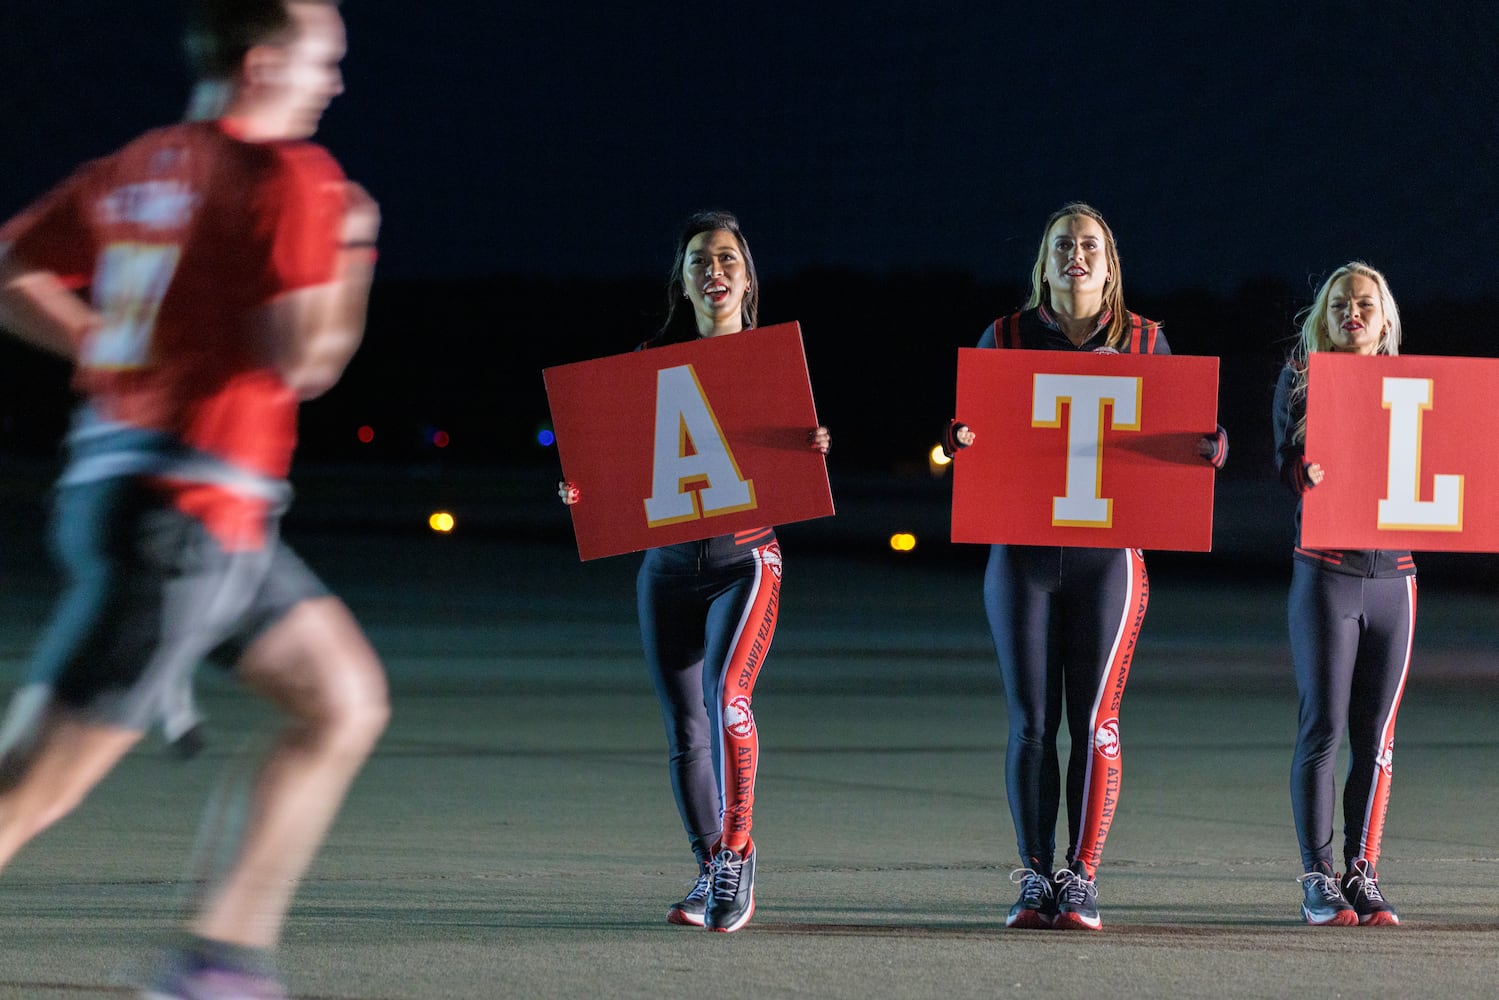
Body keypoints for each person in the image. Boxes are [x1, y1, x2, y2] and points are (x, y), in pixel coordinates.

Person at [0, 1, 389, 995]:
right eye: (323, 62)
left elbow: (13, 270)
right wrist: (352, 254)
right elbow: (306, 358)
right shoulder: (287, 177)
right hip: (182, 520)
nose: (334, 82)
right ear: (263, 64)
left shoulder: (140, 163)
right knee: (28, 791)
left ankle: (218, 959)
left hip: (169, 505)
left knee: (341, 701)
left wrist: (107, 346)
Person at [944, 202, 1227, 931]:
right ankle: (1036, 874)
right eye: (1062, 244)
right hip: (1021, 555)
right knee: (1031, 725)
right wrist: (958, 439)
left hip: (1108, 559)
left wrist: (1209, 449)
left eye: (1090, 245)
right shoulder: (1003, 335)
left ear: (1110, 265)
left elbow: (1175, 439)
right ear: (1042, 263)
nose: (1076, 254)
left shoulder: (1145, 340)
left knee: (1095, 721)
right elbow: (970, 444)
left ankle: (1082, 876)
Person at [559, 210, 830, 933]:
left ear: (747, 278)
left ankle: (738, 855)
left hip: (745, 560)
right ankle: (709, 863)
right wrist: (582, 487)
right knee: (684, 728)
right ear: (681, 279)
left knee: (727, 697)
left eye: (727, 260)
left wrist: (810, 446)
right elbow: (619, 468)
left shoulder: (772, 360)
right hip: (668, 567)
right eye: (699, 261)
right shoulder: (651, 358)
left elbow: (786, 462)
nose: (714, 272)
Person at [1272, 262, 1410, 927]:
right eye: (1338, 304)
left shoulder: (1415, 390)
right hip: (1325, 575)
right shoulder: (1299, 379)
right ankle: (1316, 877)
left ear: (1385, 318)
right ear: (1320, 316)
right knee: (1323, 727)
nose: (1352, 313)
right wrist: (1304, 469)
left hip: (1396, 580)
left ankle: (1363, 871)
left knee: (1376, 737)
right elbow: (1282, 465)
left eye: (1364, 303)